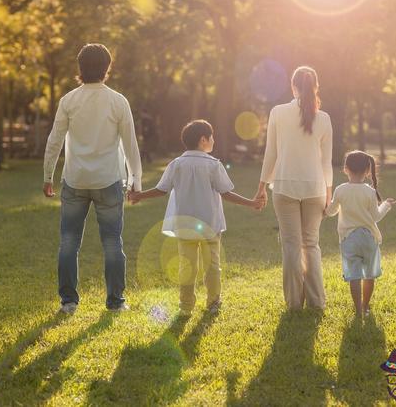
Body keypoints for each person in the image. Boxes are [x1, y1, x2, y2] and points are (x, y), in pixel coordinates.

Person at [43, 43, 142, 314]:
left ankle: (68, 302)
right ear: (107, 68)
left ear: (80, 67)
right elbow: (131, 144)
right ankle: (115, 301)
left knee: (69, 242)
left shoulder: (69, 100)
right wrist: (136, 180)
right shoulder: (118, 101)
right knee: (112, 242)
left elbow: (54, 141)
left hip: (75, 181)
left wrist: (47, 175)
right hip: (109, 180)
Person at [128, 120, 262, 317]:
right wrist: (251, 203)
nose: (213, 140)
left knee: (187, 266)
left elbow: (160, 190)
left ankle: (186, 305)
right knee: (212, 266)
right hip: (210, 226)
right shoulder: (213, 165)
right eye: (212, 137)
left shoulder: (176, 164)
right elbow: (226, 193)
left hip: (185, 226)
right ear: (203, 140)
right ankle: (213, 301)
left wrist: (138, 196)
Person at [255, 66, 333, 310]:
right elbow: (326, 161)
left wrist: (262, 186)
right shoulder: (325, 118)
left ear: (293, 86)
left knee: (291, 245)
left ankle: (293, 303)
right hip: (316, 188)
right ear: (316, 87)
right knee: (311, 244)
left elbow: (271, 154)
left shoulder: (278, 112)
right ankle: (317, 302)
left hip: (284, 186)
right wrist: (329, 193)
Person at [325, 150, 396, 317]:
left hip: (348, 239)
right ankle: (365, 306)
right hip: (368, 239)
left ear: (345, 169)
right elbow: (376, 216)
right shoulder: (369, 192)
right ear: (367, 171)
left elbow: (331, 211)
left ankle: (358, 310)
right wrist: (386, 204)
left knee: (354, 276)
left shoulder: (340, 190)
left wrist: (324, 205)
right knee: (369, 275)